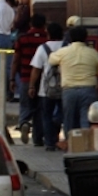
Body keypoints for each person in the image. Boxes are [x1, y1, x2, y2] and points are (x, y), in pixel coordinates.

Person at [48, 25, 98, 135]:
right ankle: (85, 144)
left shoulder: (63, 52)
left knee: (69, 120)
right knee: (86, 119)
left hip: (69, 91)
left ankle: (71, 144)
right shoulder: (93, 53)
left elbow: (51, 60)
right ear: (86, 38)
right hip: (89, 90)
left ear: (69, 38)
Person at [10, 13, 48, 146]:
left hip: (25, 77)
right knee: (39, 110)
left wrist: (12, 78)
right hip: (43, 80)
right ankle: (38, 139)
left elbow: (16, 60)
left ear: (31, 25)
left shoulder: (22, 39)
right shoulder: (46, 39)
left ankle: (24, 123)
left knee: (26, 105)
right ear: (44, 25)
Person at [29, 22, 65, 151]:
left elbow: (36, 69)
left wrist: (32, 86)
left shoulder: (42, 48)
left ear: (48, 34)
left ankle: (50, 142)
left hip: (46, 89)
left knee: (46, 115)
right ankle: (58, 126)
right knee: (62, 113)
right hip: (64, 87)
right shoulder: (67, 46)